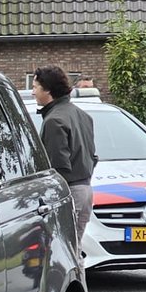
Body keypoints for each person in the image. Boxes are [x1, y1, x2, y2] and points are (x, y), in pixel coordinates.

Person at [32, 64, 98, 247]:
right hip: (84, 189)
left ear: (48, 90)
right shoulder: (82, 115)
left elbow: (57, 167)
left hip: (68, 193)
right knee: (74, 251)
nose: (32, 92)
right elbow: (92, 157)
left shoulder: (54, 120)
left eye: (35, 87)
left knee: (64, 253)